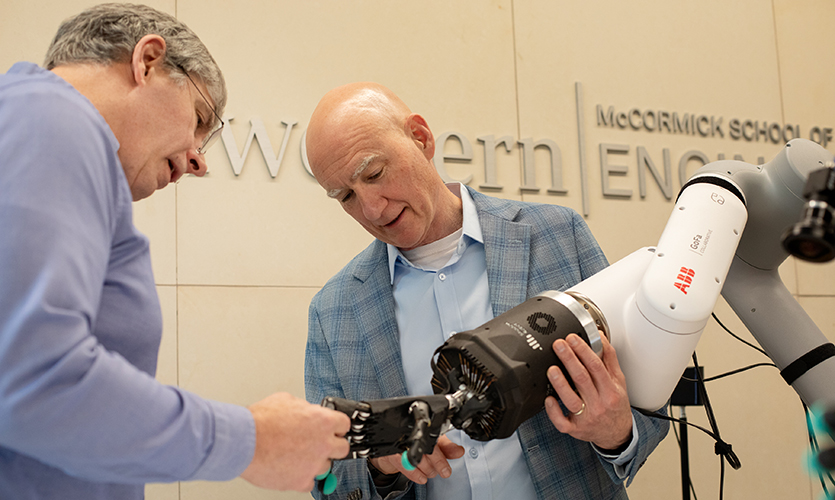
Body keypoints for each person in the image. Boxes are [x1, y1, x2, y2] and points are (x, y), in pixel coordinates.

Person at [0, 4, 349, 499]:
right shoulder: (50, 116)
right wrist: (251, 441)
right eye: (199, 120)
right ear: (147, 61)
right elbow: (32, 376)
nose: (198, 162)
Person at [303, 82, 669, 499]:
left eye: (374, 173)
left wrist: (617, 430)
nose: (371, 209)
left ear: (420, 138)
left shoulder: (558, 236)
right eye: (347, 196)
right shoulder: (333, 312)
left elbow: (648, 403)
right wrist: (380, 464)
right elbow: (326, 479)